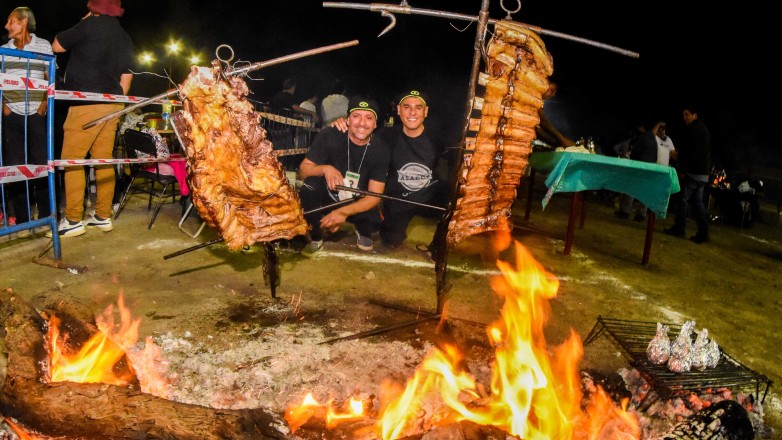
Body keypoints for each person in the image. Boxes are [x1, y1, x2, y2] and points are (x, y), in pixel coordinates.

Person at [47, 0, 133, 238]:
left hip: (86, 104)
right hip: (113, 105)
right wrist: (115, 105)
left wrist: (84, 20)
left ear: (94, 8)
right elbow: (126, 77)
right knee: (102, 161)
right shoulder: (124, 36)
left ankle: (74, 219)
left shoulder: (89, 25)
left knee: (72, 161)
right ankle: (103, 216)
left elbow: (56, 46)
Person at [332, 89, 449, 249]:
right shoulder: (386, 136)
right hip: (399, 200)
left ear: (426, 111)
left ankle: (437, 248)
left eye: (418, 107)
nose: (412, 112)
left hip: (429, 199)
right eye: (407, 107)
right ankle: (374, 223)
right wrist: (341, 126)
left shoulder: (437, 138)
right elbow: (358, 139)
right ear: (399, 110)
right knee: (390, 239)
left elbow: (457, 162)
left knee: (454, 204)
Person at [298, 96, 390, 255]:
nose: (362, 123)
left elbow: (375, 195)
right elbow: (303, 170)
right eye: (356, 116)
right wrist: (325, 169)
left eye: (368, 118)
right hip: (331, 196)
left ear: (375, 124)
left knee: (375, 225)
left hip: (358, 200)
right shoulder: (330, 134)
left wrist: (343, 212)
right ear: (347, 120)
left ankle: (361, 228)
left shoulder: (381, 149)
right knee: (309, 185)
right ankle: (317, 233)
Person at [1, 7, 53, 238]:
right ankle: (23, 220)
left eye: (11, 21)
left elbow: (49, 78)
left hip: (35, 114)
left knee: (40, 165)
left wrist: (43, 106)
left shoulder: (43, 46)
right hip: (12, 113)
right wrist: (4, 107)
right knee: (14, 168)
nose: (6, 26)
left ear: (23, 22)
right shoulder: (3, 50)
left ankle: (44, 217)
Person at [664, 106, 712, 243]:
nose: (684, 117)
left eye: (687, 115)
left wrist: (683, 169)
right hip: (702, 173)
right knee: (698, 203)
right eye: (683, 115)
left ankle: (679, 228)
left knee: (682, 199)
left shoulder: (694, 130)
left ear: (695, 115)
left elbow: (691, 153)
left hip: (693, 172)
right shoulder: (703, 129)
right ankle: (703, 232)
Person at [614, 120, 659, 221]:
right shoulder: (654, 140)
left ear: (642, 128)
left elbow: (635, 153)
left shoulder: (641, 138)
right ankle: (641, 214)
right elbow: (655, 157)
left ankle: (625, 211)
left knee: (631, 189)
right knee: (645, 191)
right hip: (649, 168)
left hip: (639, 166)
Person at [535, 82, 574, 148]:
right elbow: (543, 121)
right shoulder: (531, 97)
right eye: (551, 90)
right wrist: (562, 139)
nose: (553, 95)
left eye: (554, 93)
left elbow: (536, 128)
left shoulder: (539, 102)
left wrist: (555, 143)